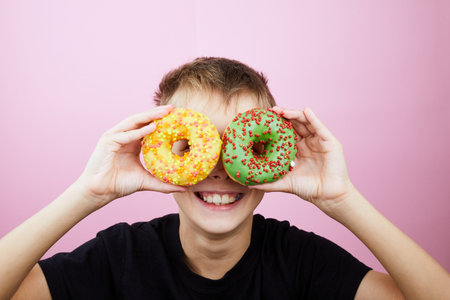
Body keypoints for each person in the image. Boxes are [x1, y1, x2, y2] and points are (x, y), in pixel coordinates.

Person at [1, 57, 449, 299]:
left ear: (275, 154)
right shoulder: (121, 257)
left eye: (239, 146)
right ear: (159, 152)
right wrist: (87, 192)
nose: (218, 169)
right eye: (196, 147)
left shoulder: (300, 261)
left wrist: (342, 198)